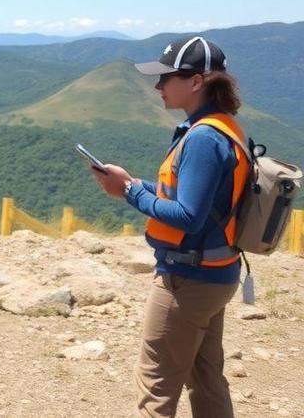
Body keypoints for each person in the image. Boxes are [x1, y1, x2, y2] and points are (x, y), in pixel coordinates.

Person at [91, 36, 248, 417]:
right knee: (206, 379)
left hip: (188, 278)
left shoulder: (203, 138)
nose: (157, 86)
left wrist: (128, 191)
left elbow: (188, 216)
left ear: (196, 81)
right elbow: (195, 200)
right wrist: (134, 183)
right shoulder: (222, 127)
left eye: (165, 78)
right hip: (216, 273)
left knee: (156, 386)